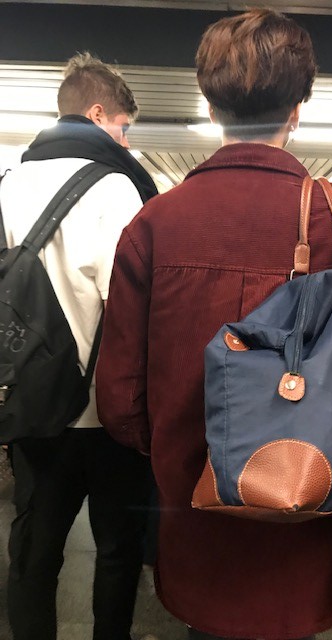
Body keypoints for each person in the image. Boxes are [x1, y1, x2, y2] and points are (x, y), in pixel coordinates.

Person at [96, 9, 332, 640]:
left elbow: (119, 399)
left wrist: (179, 451)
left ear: (209, 107)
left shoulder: (156, 223)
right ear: (298, 110)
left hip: (198, 520)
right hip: (313, 507)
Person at [0, 52, 158, 640]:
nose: (126, 140)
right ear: (96, 114)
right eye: (123, 126)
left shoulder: (8, 183)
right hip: (105, 413)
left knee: (35, 548)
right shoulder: (116, 187)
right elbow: (131, 306)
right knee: (117, 549)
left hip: (33, 407)